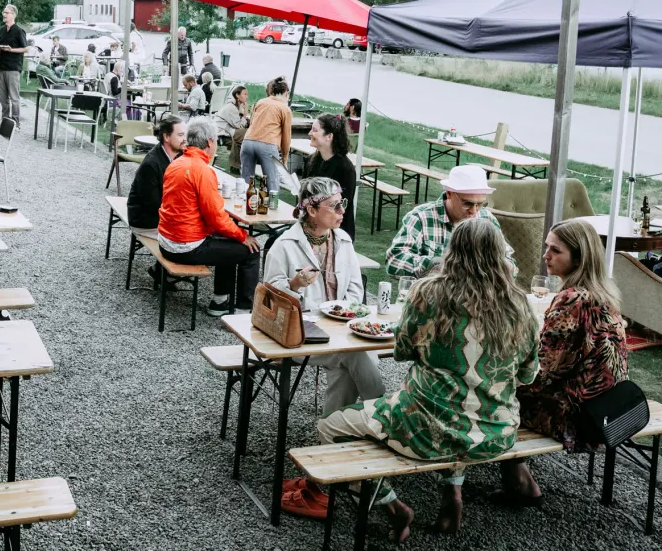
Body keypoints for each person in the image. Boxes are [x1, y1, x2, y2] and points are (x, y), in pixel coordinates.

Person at [315, 219, 539, 539]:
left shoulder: (429, 293)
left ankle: (392, 505)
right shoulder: (521, 306)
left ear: (453, 251)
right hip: (496, 433)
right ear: (499, 254)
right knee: (461, 402)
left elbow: (403, 351)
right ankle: (452, 493)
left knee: (330, 427)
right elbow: (528, 374)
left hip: (425, 431)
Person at [500, 219, 629, 505]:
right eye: (547, 247)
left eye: (555, 250)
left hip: (577, 418)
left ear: (579, 258)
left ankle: (520, 482)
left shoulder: (572, 300)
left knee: (493, 396)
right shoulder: (605, 294)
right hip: (609, 406)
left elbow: (544, 370)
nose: (545, 255)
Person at [264, 177, 381, 414]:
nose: (342, 211)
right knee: (356, 353)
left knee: (348, 364)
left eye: (342, 203)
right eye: (335, 205)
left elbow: (355, 289)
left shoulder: (343, 241)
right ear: (312, 210)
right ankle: (384, 414)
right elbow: (269, 299)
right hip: (300, 334)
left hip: (341, 329)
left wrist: (344, 313)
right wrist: (294, 285)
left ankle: (332, 429)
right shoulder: (284, 245)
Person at [157, 117, 260, 315]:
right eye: (216, 141)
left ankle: (220, 301)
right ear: (210, 142)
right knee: (251, 249)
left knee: (228, 240)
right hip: (185, 247)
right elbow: (216, 217)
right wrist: (243, 236)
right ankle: (243, 309)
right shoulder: (202, 170)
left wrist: (235, 234)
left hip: (166, 240)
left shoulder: (176, 163)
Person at [387, 165, 514, 278]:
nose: (474, 211)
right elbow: (395, 260)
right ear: (449, 193)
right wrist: (440, 265)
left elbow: (509, 261)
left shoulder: (487, 218)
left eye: (480, 204)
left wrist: (503, 267)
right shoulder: (420, 217)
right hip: (432, 293)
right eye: (467, 203)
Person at [126, 114, 186, 235]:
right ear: (166, 137)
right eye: (180, 135)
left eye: (185, 135)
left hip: (163, 215)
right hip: (147, 222)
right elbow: (153, 204)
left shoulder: (178, 156)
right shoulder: (151, 164)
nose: (185, 139)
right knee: (196, 235)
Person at [303, 113, 357, 240]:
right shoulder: (311, 161)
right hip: (311, 226)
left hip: (336, 232)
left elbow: (340, 206)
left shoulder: (346, 169)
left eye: (315, 130)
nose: (310, 133)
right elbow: (304, 195)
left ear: (329, 136)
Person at [241, 76, 292, 195]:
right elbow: (286, 137)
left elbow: (252, 122)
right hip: (268, 144)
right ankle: (272, 204)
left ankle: (243, 202)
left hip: (248, 141)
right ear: (286, 93)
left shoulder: (260, 102)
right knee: (272, 182)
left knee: (246, 182)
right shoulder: (285, 109)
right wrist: (284, 158)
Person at [0, 4, 27, 125]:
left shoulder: (19, 31)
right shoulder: (2, 30)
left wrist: (11, 50)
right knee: (2, 98)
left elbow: (25, 49)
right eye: (4, 12)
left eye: (6, 13)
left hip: (13, 68)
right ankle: (5, 121)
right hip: (1, 67)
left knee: (14, 97)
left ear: (13, 15)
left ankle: (15, 122)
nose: (4, 14)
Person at [215, 85, 250, 174]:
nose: (247, 97)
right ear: (237, 95)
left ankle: (235, 165)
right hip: (223, 133)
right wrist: (245, 113)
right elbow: (239, 126)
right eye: (245, 94)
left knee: (244, 137)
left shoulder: (235, 105)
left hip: (228, 130)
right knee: (248, 133)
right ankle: (238, 165)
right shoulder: (231, 107)